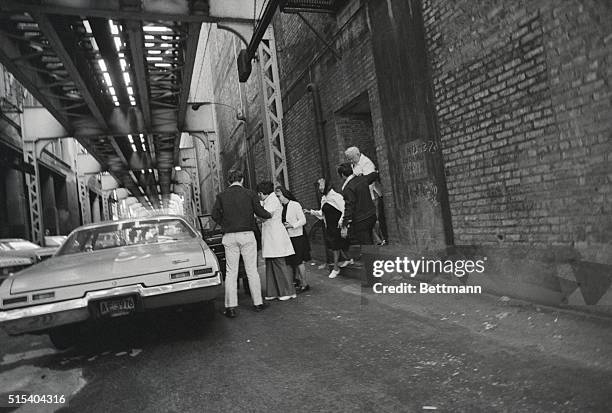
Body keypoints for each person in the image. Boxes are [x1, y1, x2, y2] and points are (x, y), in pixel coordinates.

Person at [211, 169, 272, 318]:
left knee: (231, 272)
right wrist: (269, 214)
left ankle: (230, 307)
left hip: (229, 237)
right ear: (242, 180)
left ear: (228, 181)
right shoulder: (250, 194)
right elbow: (260, 212)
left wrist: (225, 223)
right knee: (251, 270)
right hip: (246, 235)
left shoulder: (221, 196)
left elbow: (214, 215)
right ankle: (258, 303)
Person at [257, 181, 297, 301]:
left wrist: (255, 213)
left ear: (261, 193)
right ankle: (273, 291)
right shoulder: (268, 200)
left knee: (279, 263)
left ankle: (288, 291)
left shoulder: (273, 200)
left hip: (275, 236)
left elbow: (266, 215)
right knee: (271, 263)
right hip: (271, 236)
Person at [305, 178, 352, 279]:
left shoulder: (336, 196)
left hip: (338, 225)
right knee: (338, 245)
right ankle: (349, 259)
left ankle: (336, 268)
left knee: (336, 246)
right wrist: (311, 212)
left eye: (321, 186)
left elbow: (344, 209)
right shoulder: (324, 198)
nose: (320, 188)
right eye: (319, 186)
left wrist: (342, 223)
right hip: (330, 226)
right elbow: (322, 213)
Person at [345, 146, 388, 245]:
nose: (350, 161)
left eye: (351, 158)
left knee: (374, 219)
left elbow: (369, 182)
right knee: (365, 223)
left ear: (357, 154)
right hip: (361, 198)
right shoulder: (354, 164)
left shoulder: (366, 163)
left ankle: (382, 240)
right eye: (349, 159)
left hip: (371, 196)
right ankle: (377, 242)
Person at [275, 186, 311, 293]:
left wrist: (292, 225)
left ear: (284, 194)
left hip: (297, 236)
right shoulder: (282, 207)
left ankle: (305, 284)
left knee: (299, 261)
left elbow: (303, 220)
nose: (278, 198)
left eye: (279, 196)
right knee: (292, 262)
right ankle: (298, 281)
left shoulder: (295, 205)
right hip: (288, 237)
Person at [338, 162, 379, 245]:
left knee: (366, 246)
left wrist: (344, 225)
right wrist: (376, 172)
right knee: (370, 240)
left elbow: (349, 206)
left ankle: (371, 257)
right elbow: (373, 176)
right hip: (371, 215)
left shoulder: (348, 188)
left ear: (342, 175)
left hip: (361, 220)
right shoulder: (362, 179)